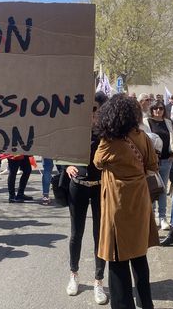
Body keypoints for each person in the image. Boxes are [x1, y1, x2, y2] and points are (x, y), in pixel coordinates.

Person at [94, 94, 159, 309]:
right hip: (139, 199)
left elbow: (97, 162)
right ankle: (145, 302)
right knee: (139, 256)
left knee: (118, 258)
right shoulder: (144, 137)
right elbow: (152, 165)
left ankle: (123, 305)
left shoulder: (109, 141)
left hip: (117, 201)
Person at [65, 91, 108, 305]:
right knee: (76, 233)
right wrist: (66, 165)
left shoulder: (107, 133)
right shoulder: (74, 130)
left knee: (100, 235)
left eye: (96, 110)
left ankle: (98, 281)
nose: (92, 114)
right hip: (78, 187)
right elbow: (59, 150)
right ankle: (74, 274)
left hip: (100, 188)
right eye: (89, 110)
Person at [143, 100, 173, 231]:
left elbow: (172, 139)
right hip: (151, 162)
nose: (158, 111)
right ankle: (150, 216)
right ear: (151, 110)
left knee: (162, 188)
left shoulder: (168, 122)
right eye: (155, 108)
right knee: (151, 188)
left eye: (161, 108)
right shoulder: (146, 122)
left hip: (165, 160)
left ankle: (162, 217)